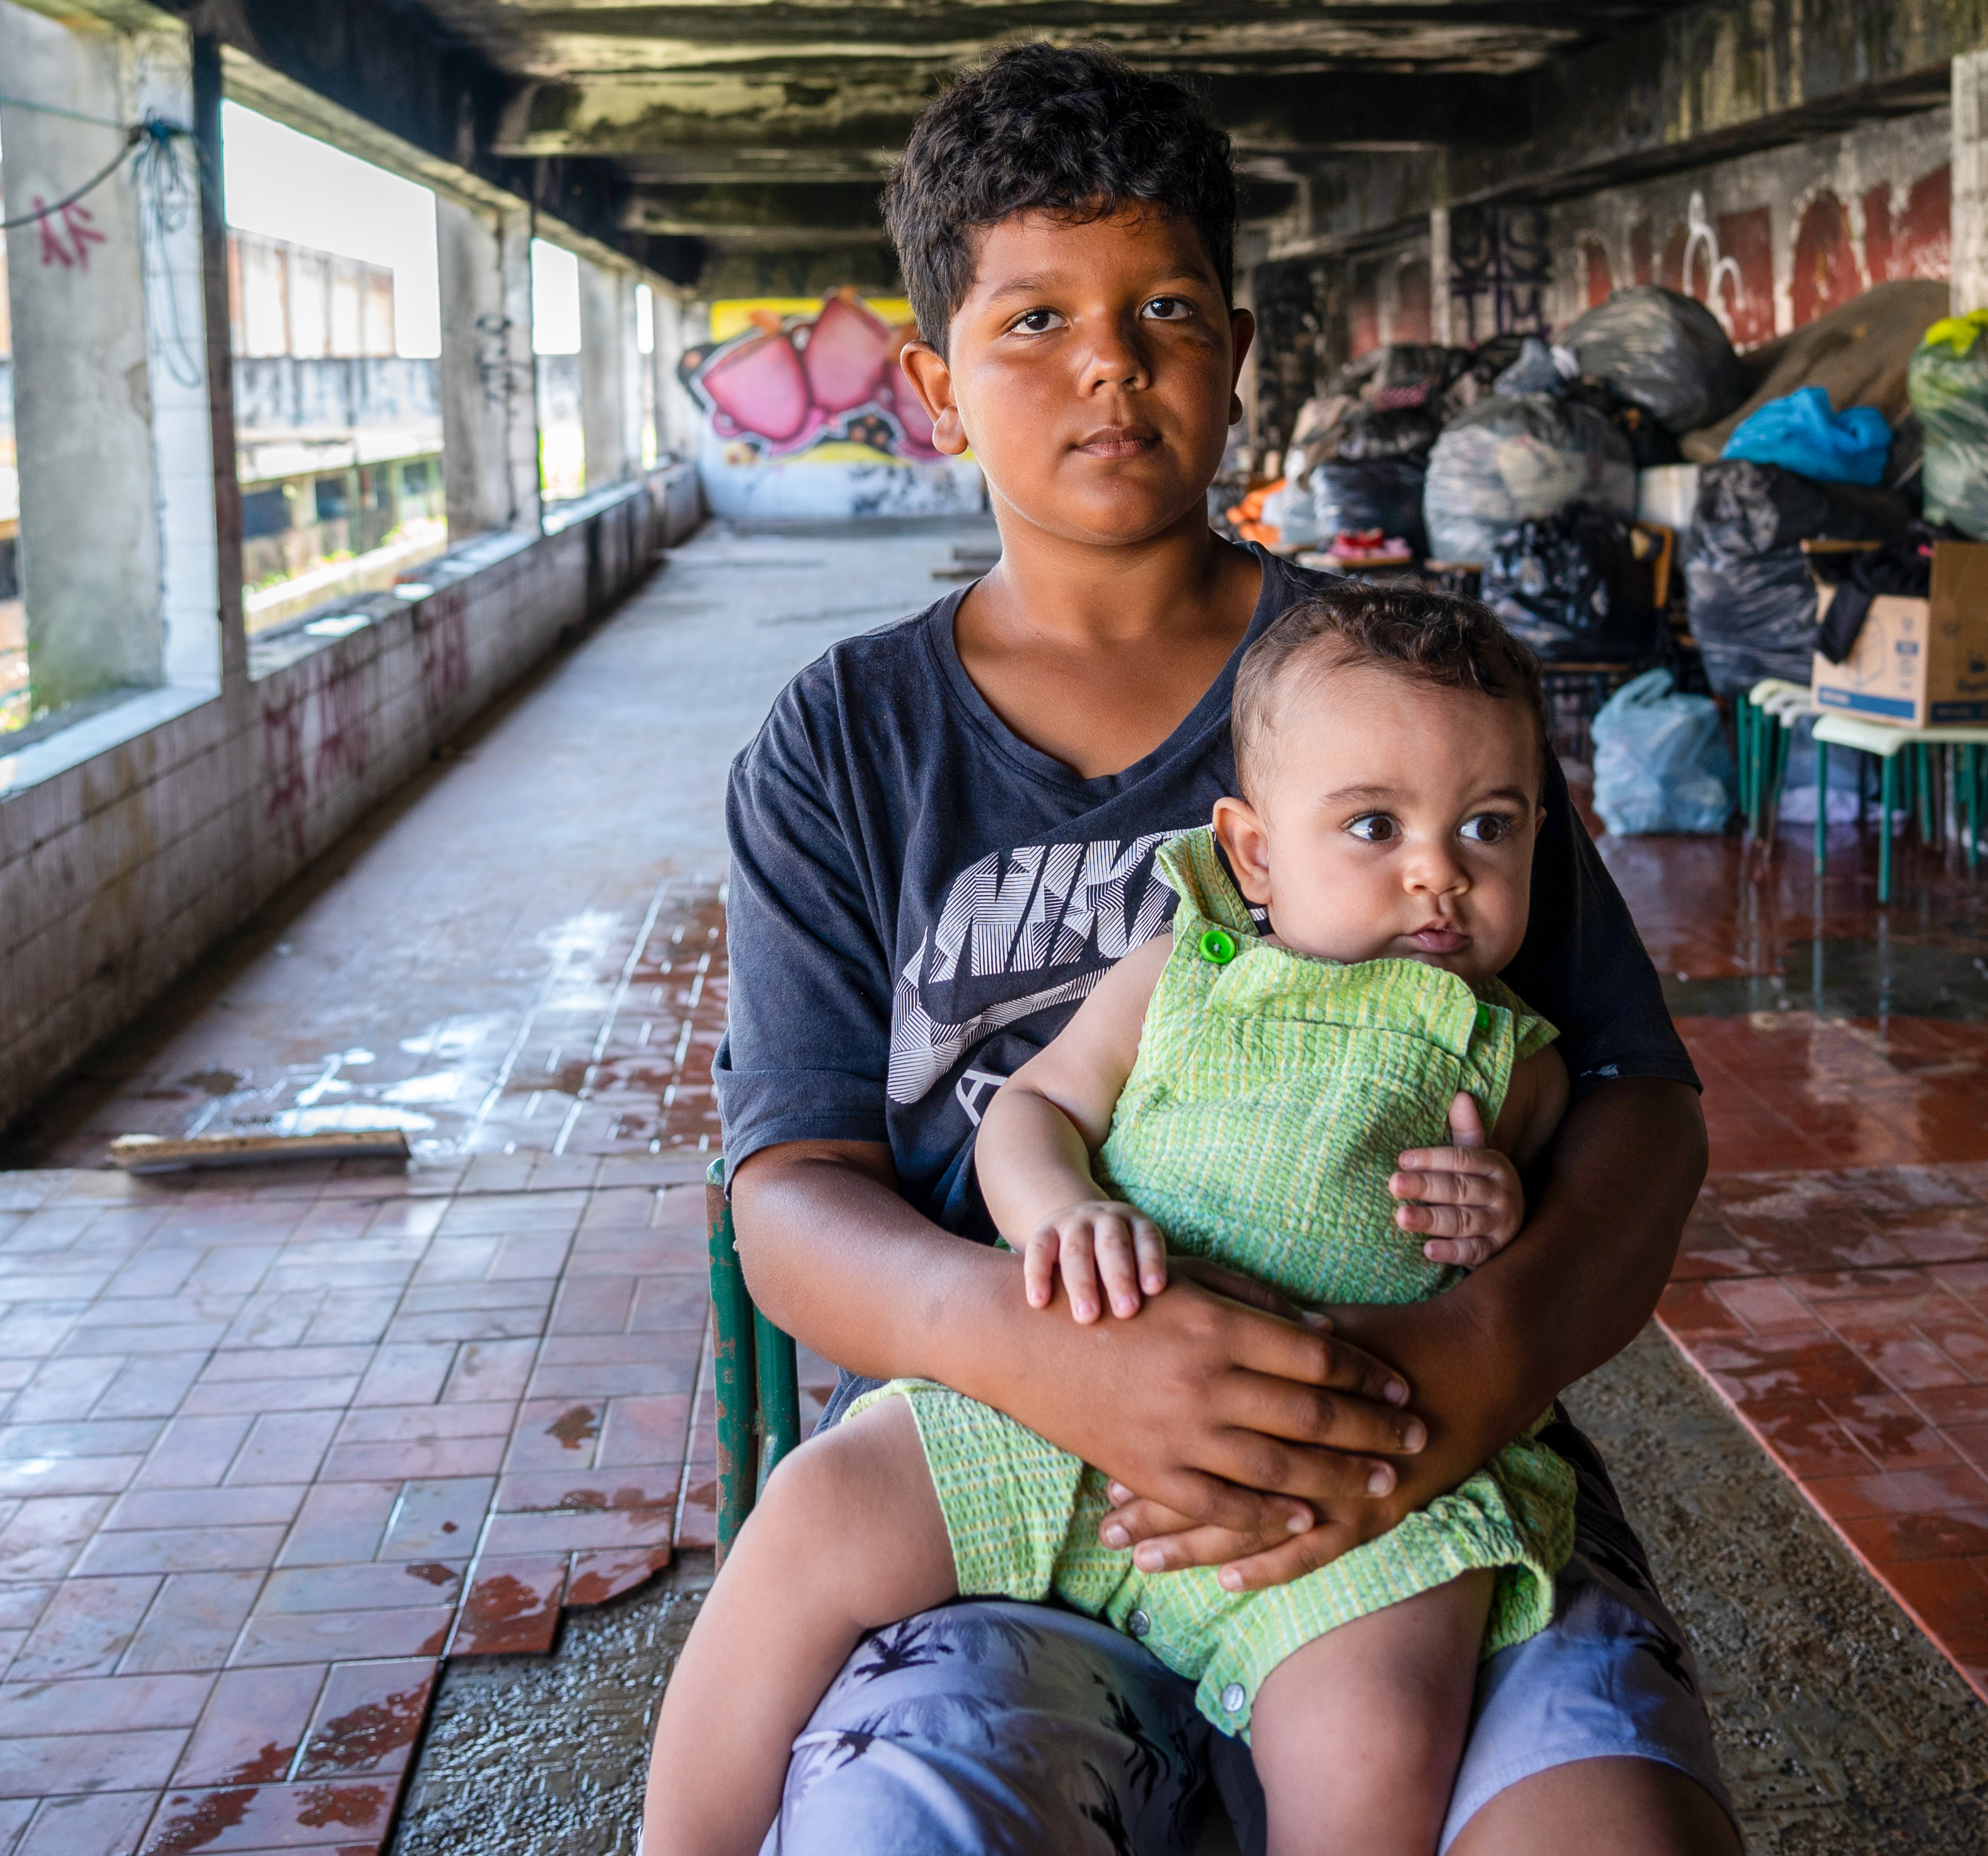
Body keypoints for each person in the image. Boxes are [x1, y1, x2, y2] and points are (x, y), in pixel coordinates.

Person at [709, 42, 1736, 1855]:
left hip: (1404, 1458)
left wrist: (1468, 1368)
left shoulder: (1407, 689)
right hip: (1005, 1466)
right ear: (936, 390)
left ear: (1239, 355)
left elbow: (1638, 1106)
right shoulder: (847, 743)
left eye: (1165, 308)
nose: (1110, 362)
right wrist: (1040, 1354)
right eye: (1035, 320)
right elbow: (791, 1195)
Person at [654, 587, 1584, 1856]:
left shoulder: (1517, 1058)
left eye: (1489, 826)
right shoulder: (1184, 971)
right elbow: (1032, 1109)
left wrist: (1497, 1208)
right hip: (1053, 1400)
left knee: (1381, 1727)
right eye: (1375, 825)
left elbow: (1533, 1240)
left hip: (1336, 1492)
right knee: (818, 1512)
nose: (1440, 872)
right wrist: (1065, 1210)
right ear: (1254, 854)